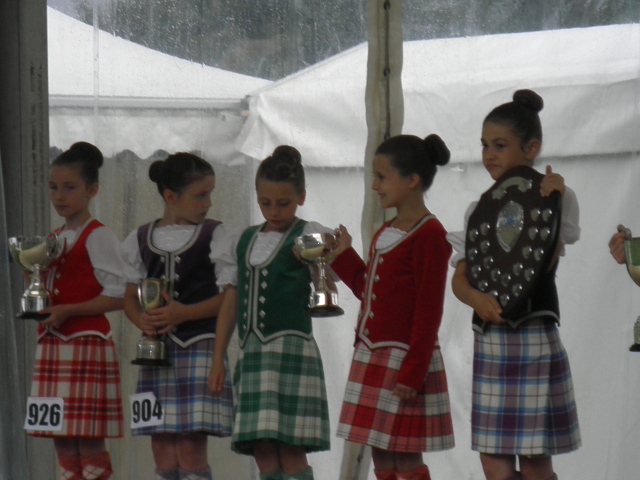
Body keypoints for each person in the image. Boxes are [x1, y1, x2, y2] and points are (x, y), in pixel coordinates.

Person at [449, 89, 581, 480]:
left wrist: (552, 201)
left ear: (531, 148)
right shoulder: (477, 210)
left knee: (535, 459)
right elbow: (460, 277)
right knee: (493, 459)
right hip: (492, 340)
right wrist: (475, 298)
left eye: (500, 145)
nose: (489, 154)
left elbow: (546, 256)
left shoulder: (555, 195)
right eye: (484, 145)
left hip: (534, 335)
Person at [329, 134, 455, 480]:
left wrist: (413, 371)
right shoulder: (387, 229)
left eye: (382, 177)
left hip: (404, 359)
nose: (375, 186)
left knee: (405, 455)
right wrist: (344, 255)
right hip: (373, 355)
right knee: (381, 454)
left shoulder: (430, 234)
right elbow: (372, 291)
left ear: (411, 180)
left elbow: (429, 311)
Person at [208, 145, 330, 480]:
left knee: (290, 447)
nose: (274, 211)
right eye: (266, 202)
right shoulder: (243, 239)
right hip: (253, 353)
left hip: (291, 349)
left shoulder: (307, 234)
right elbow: (231, 301)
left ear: (301, 197)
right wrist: (218, 356)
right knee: (261, 447)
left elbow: (328, 277)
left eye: (283, 203)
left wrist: (322, 259)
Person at [120, 153, 235, 480]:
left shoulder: (215, 235)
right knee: (160, 445)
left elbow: (230, 298)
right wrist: (141, 320)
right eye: (200, 195)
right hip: (155, 354)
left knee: (190, 444)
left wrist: (185, 313)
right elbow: (129, 297)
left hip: (199, 346)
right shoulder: (140, 238)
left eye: (210, 194)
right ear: (170, 197)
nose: (208, 203)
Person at [26, 141, 125, 480]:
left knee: (88, 438)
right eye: (53, 187)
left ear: (92, 190)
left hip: (86, 342)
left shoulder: (98, 236)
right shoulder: (53, 237)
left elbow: (120, 295)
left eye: (69, 188)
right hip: (53, 342)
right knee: (62, 438)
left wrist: (70, 310)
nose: (59, 196)